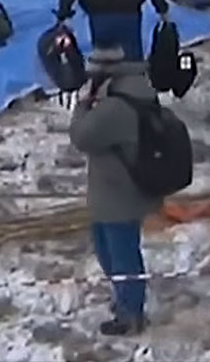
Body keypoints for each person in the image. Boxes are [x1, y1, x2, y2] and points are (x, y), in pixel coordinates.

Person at [68, 45, 160, 336]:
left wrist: (82, 104)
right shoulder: (131, 90)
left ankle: (130, 314)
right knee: (111, 250)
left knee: (121, 255)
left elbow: (82, 136)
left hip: (118, 191)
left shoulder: (116, 106)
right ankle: (125, 302)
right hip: (116, 187)